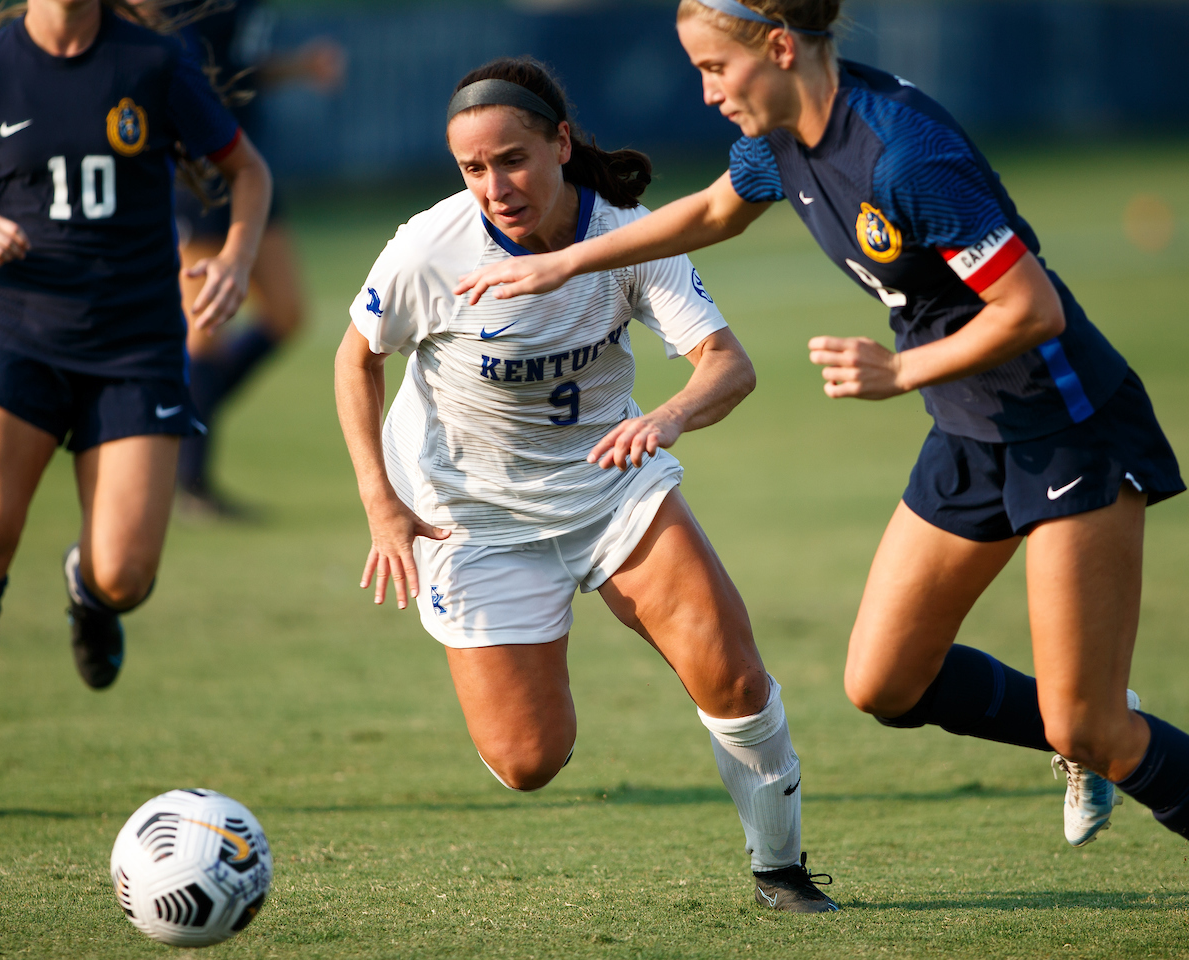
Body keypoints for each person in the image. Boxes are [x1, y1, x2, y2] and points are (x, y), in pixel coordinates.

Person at [454, 0, 1189, 850]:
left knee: (1090, 726)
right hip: (971, 431)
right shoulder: (779, 138)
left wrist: (900, 371)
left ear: (779, 47)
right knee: (886, 683)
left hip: (1068, 428)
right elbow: (716, 211)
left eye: (715, 69)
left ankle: (1089, 726)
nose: (707, 93)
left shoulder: (906, 154)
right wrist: (569, 260)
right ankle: (1081, 722)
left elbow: (1032, 309)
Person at [335, 56, 839, 913]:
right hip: (472, 518)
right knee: (527, 761)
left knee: (735, 679)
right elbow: (357, 359)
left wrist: (668, 418)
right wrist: (380, 502)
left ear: (561, 144)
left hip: (612, 490)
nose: (495, 186)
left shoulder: (628, 237)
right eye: (474, 168)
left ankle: (781, 872)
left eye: (513, 159)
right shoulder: (430, 247)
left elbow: (729, 365)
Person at [0, 0, 271, 694]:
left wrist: (237, 259)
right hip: (17, 334)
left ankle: (88, 594)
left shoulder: (152, 61)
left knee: (124, 575)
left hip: (135, 348)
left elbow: (248, 171)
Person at [172, 0, 345, 518]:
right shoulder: (182, 7)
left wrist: (299, 67)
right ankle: (191, 481)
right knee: (205, 330)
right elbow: (176, 74)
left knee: (286, 313)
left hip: (247, 166)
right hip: (199, 169)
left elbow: (237, 65)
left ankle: (177, 422)